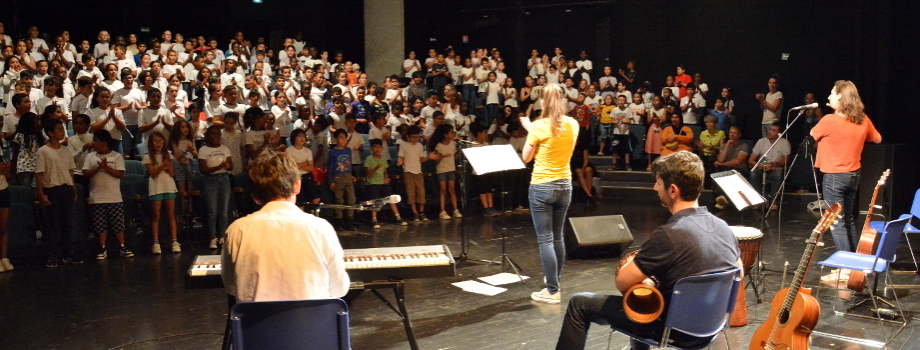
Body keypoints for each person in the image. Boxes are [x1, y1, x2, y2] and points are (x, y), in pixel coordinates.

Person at [555, 151, 742, 350]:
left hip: (673, 330)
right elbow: (738, 272)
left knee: (580, 304)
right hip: (712, 328)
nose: (654, 188)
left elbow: (622, 282)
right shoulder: (723, 227)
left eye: (658, 183)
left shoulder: (669, 235)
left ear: (673, 190)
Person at [222, 152, 350, 302]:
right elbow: (339, 288)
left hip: (257, 325)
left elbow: (231, 286)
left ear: (255, 196)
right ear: (297, 185)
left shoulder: (237, 230)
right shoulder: (321, 228)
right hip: (312, 325)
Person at [812, 81, 882, 272]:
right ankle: (854, 260)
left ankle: (846, 266)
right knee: (848, 219)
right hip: (853, 175)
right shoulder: (863, 119)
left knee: (837, 222)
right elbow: (877, 139)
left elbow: (813, 133)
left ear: (841, 96)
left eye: (832, 94)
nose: (828, 98)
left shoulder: (829, 120)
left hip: (834, 176)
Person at [519, 83, 580, 304]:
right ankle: (555, 279)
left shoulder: (538, 125)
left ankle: (552, 291)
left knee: (545, 239)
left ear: (542, 102)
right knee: (557, 236)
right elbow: (556, 136)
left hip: (542, 186)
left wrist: (529, 129)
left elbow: (526, 157)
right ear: (563, 100)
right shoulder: (573, 123)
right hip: (565, 185)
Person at [84, 130, 133, 260]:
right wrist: (98, 168)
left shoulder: (116, 156)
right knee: (100, 226)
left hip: (114, 197)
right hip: (97, 197)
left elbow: (120, 175)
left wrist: (106, 168)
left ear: (104, 142)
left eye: (96, 140)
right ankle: (102, 248)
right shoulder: (90, 157)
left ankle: (122, 247)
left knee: (118, 225)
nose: (93, 143)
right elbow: (86, 174)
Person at [36, 119, 78, 267]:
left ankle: (68, 252)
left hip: (66, 188)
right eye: (59, 129)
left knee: (67, 223)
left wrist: (73, 189)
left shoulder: (66, 150)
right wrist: (41, 194)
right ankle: (53, 254)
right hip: (52, 189)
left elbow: (70, 171)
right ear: (50, 133)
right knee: (53, 224)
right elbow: (40, 174)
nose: (62, 132)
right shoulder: (43, 151)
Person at [144, 131, 179, 254]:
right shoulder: (148, 157)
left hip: (168, 186)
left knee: (171, 215)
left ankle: (174, 241)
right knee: (156, 216)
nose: (158, 144)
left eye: (161, 141)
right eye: (155, 141)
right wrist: (162, 166)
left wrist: (167, 165)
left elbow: (172, 173)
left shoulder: (169, 155)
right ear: (151, 143)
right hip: (156, 187)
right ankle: (156, 243)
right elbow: (153, 174)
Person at [199, 125, 233, 250]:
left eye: (218, 134)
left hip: (224, 179)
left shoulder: (224, 148)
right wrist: (219, 166)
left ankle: (222, 235)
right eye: (213, 134)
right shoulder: (203, 150)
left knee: (223, 211)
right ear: (208, 136)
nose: (216, 136)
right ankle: (212, 237)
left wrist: (226, 166)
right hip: (210, 180)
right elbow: (203, 169)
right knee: (212, 210)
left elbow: (231, 166)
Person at [748, 122, 790, 210]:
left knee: (778, 174)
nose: (769, 132)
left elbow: (786, 161)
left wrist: (775, 163)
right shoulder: (761, 141)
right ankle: (758, 200)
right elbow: (751, 160)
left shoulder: (784, 143)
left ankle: (773, 201)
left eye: (773, 130)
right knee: (753, 173)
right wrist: (760, 166)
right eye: (769, 129)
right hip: (762, 168)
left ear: (779, 134)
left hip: (775, 168)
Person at [712, 126, 751, 210]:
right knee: (717, 175)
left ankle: (723, 199)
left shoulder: (743, 146)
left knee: (729, 175)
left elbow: (738, 161)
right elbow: (720, 159)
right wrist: (726, 147)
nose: (732, 135)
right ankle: (721, 199)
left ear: (739, 135)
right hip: (726, 169)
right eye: (730, 133)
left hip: (739, 169)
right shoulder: (724, 146)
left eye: (734, 133)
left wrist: (723, 164)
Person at [428, 123, 460, 220]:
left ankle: (455, 209)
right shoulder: (439, 146)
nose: (453, 135)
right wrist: (442, 156)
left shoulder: (453, 144)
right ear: (445, 135)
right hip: (442, 169)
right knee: (443, 190)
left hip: (451, 169)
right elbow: (436, 159)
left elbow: (453, 157)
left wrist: (460, 152)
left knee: (452, 189)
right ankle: (442, 211)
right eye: (451, 133)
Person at [328, 128, 357, 230]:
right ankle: (339, 221)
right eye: (341, 138)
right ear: (336, 140)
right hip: (338, 177)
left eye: (345, 138)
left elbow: (350, 164)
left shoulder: (348, 150)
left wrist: (352, 175)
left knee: (351, 199)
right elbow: (330, 167)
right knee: (339, 199)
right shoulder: (332, 152)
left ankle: (350, 219)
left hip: (348, 175)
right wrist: (331, 181)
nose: (343, 140)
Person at [397, 125, 428, 222]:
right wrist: (400, 161)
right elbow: (401, 157)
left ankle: (421, 212)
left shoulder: (419, 146)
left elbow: (421, 160)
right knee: (411, 193)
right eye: (413, 137)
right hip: (408, 172)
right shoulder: (403, 145)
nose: (415, 140)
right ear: (408, 136)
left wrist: (430, 157)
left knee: (421, 193)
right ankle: (415, 213)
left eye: (417, 138)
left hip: (418, 172)